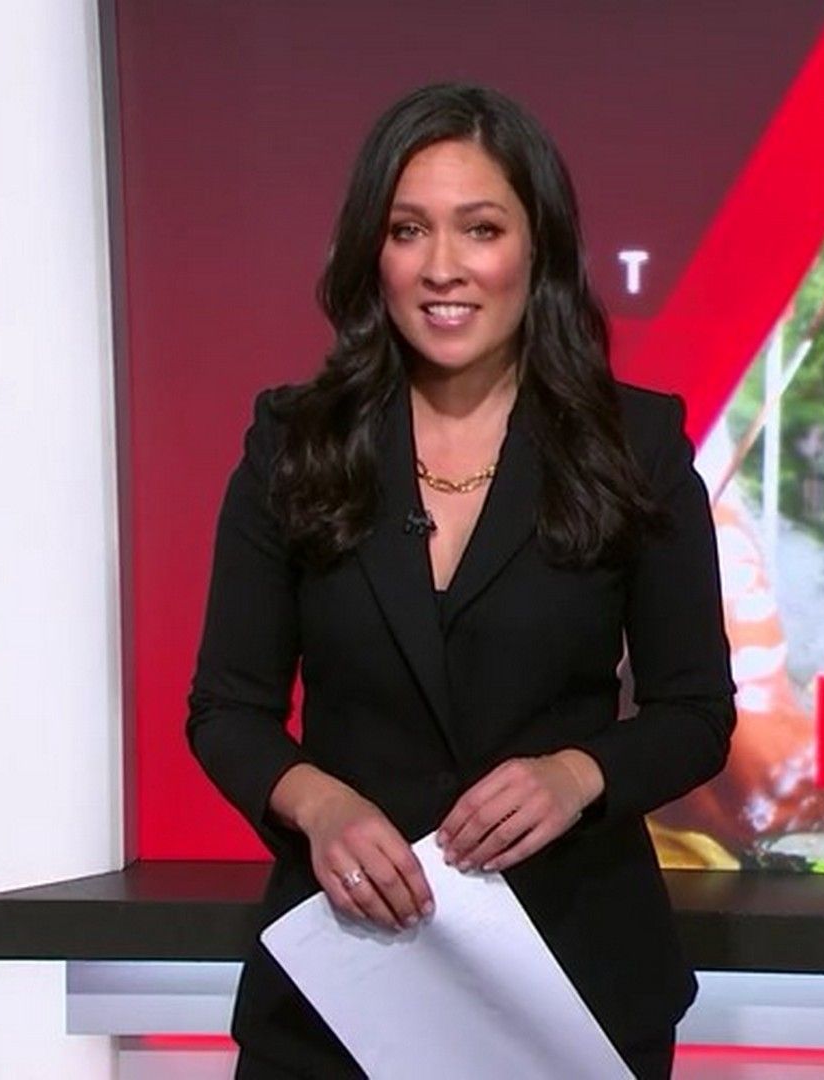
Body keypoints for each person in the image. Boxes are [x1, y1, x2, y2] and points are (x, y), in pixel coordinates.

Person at [186, 83, 735, 1079]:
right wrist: (318, 805)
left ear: (537, 249)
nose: (443, 267)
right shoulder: (295, 443)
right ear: (374, 253)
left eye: (480, 229)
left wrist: (578, 776)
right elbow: (227, 709)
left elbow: (695, 712)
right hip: (343, 983)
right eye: (409, 231)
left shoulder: (634, 444)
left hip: (571, 983)